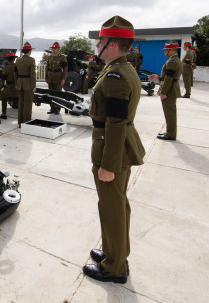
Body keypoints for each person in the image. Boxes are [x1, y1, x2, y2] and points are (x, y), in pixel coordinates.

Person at [83, 15, 145, 284]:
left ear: (111, 43)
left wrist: (108, 165)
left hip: (112, 149)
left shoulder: (116, 76)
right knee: (116, 204)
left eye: (100, 40)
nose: (97, 44)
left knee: (112, 208)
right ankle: (114, 252)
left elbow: (116, 124)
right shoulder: (120, 68)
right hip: (118, 146)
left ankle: (115, 267)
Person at [148, 40, 182, 141]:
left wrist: (163, 92)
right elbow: (167, 77)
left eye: (166, 50)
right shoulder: (175, 60)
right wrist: (158, 78)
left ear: (171, 50)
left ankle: (170, 134)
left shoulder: (172, 62)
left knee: (169, 113)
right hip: (172, 88)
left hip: (169, 90)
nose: (164, 52)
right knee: (170, 112)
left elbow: (168, 79)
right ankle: (170, 132)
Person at [0, 52, 18, 125]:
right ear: (14, 59)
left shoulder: (6, 68)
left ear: (7, 60)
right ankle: (4, 114)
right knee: (4, 97)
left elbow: (1, 82)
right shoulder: (18, 67)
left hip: (9, 89)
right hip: (17, 89)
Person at [15, 42, 36, 126]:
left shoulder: (18, 59)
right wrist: (34, 86)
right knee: (27, 104)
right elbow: (32, 75)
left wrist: (16, 83)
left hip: (19, 83)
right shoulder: (31, 60)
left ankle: (20, 122)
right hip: (28, 84)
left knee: (21, 103)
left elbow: (15, 73)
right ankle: (26, 123)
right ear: (29, 51)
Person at [45, 42, 68, 114]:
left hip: (58, 77)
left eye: (55, 49)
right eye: (53, 49)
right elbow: (47, 68)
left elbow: (65, 69)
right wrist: (46, 77)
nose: (54, 50)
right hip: (50, 77)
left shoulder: (62, 57)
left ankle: (58, 108)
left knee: (58, 93)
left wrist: (63, 78)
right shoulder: (50, 57)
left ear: (58, 49)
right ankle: (52, 108)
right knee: (50, 93)